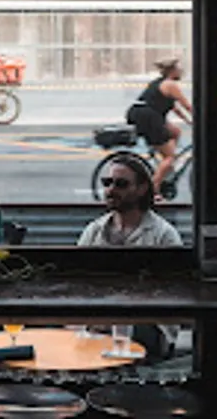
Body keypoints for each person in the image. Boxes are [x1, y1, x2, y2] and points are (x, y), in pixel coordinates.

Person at [78, 154, 182, 359]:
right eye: (107, 182)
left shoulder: (162, 235)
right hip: (100, 320)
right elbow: (76, 280)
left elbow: (171, 295)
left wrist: (116, 319)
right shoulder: (95, 230)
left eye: (121, 184)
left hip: (148, 325)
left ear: (142, 189)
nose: (111, 189)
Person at [126, 59, 193, 193]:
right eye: (179, 69)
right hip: (149, 117)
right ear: (172, 71)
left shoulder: (160, 83)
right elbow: (187, 105)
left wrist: (189, 122)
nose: (181, 72)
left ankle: (167, 165)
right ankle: (153, 190)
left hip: (143, 114)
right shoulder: (170, 85)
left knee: (175, 132)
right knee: (169, 157)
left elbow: (175, 108)